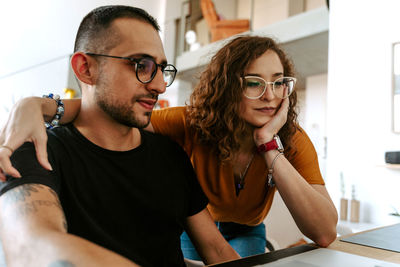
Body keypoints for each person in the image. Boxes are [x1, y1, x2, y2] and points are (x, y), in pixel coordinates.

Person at [0, 36, 338, 259]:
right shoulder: (192, 122)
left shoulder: (291, 139)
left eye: (279, 83)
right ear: (226, 88)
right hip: (196, 227)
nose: (270, 95)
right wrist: (37, 106)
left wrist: (269, 146)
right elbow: (113, 114)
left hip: (248, 229)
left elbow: (323, 233)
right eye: (254, 83)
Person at [0, 5, 241, 267]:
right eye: (142, 65)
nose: (159, 85)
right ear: (85, 68)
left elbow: (216, 250)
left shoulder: (169, 155)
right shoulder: (36, 151)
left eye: (161, 68)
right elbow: (32, 248)